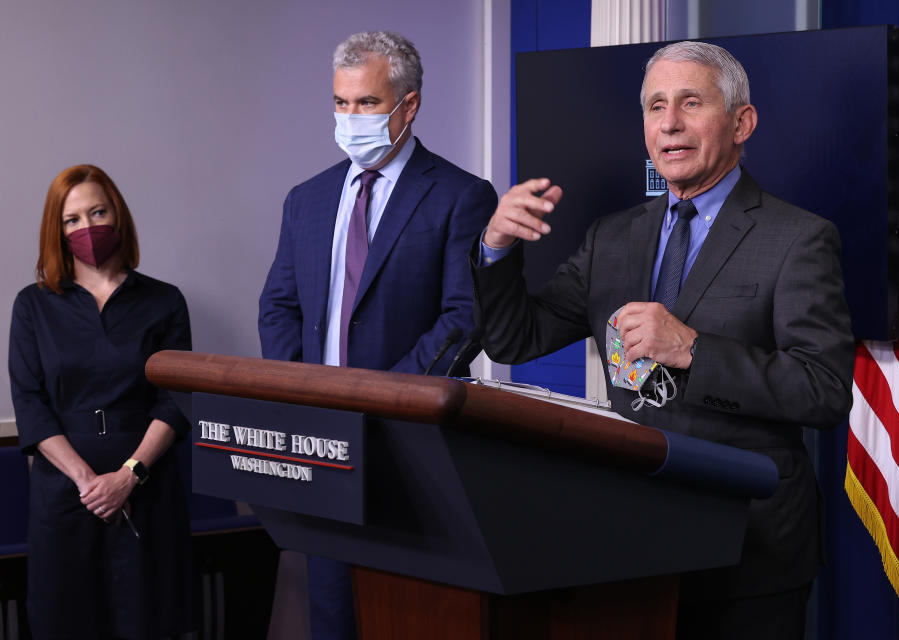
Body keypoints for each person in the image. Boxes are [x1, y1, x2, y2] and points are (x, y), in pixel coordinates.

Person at [472, 41, 855, 639]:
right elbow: (514, 340)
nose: (669, 123)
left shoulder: (798, 238)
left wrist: (693, 351)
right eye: (655, 107)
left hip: (749, 549)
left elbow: (824, 391)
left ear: (741, 122)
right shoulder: (613, 237)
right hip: (631, 540)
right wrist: (495, 250)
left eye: (690, 102)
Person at [258, 31, 497, 639]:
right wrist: (304, 390)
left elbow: (461, 317)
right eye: (341, 103)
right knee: (332, 613)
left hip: (409, 444)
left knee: (408, 616)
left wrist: (382, 398)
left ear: (408, 106)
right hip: (322, 441)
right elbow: (279, 306)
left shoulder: (461, 196)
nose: (349, 118)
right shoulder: (306, 200)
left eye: (366, 104)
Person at [9, 165, 194, 639]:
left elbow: (176, 399)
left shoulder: (164, 301)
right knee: (65, 622)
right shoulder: (33, 305)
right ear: (57, 229)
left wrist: (128, 477)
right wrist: (90, 483)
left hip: (146, 485)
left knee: (149, 619)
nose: (87, 228)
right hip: (66, 491)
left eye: (97, 212)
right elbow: (30, 403)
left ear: (118, 216)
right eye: (72, 220)